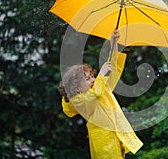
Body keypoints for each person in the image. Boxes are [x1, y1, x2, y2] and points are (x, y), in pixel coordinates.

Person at [58, 30, 143, 159]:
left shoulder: (101, 87)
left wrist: (114, 44)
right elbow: (93, 96)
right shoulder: (79, 100)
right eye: (87, 79)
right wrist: (101, 76)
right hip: (104, 148)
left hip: (117, 139)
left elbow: (114, 70)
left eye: (92, 76)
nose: (93, 80)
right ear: (76, 87)